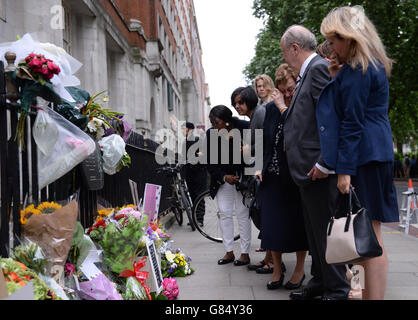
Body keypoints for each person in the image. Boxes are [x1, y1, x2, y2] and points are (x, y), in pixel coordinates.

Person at [318, 6, 399, 300]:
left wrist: (344, 170)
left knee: (369, 240)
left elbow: (352, 123)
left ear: (350, 37)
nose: (331, 46)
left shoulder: (359, 71)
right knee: (362, 237)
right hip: (373, 154)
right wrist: (336, 76)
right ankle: (363, 294)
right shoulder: (366, 67)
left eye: (334, 39)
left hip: (364, 157)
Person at [280, 24, 351, 300]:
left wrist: (325, 162)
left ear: (295, 48)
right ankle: (320, 282)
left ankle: (336, 290)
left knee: (325, 232)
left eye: (285, 52)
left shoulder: (318, 68)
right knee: (314, 232)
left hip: (318, 168)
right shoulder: (308, 72)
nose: (285, 58)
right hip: (306, 170)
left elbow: (332, 116)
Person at [256, 63, 309, 290]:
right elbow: (264, 142)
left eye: (290, 89)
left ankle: (299, 269)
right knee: (272, 225)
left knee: (298, 224)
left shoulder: (301, 106)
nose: (287, 94)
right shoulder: (269, 110)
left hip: (295, 175)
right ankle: (277, 268)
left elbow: (299, 134)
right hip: (272, 174)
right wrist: (259, 167)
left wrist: (283, 106)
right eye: (283, 90)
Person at [205, 105, 252, 266]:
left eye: (216, 123)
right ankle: (229, 252)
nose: (214, 126)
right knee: (224, 214)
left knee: (242, 214)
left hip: (242, 180)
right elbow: (209, 163)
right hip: (223, 181)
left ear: (226, 121)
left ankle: (245, 254)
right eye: (212, 123)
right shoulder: (211, 134)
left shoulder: (244, 128)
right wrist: (224, 177)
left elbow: (255, 152)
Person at [180, 122, 207, 227]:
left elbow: (204, 153)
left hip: (199, 171)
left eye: (184, 128)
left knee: (199, 194)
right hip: (188, 172)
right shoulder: (184, 142)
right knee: (191, 195)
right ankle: (194, 218)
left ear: (189, 129)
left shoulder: (197, 140)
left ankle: (200, 219)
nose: (182, 130)